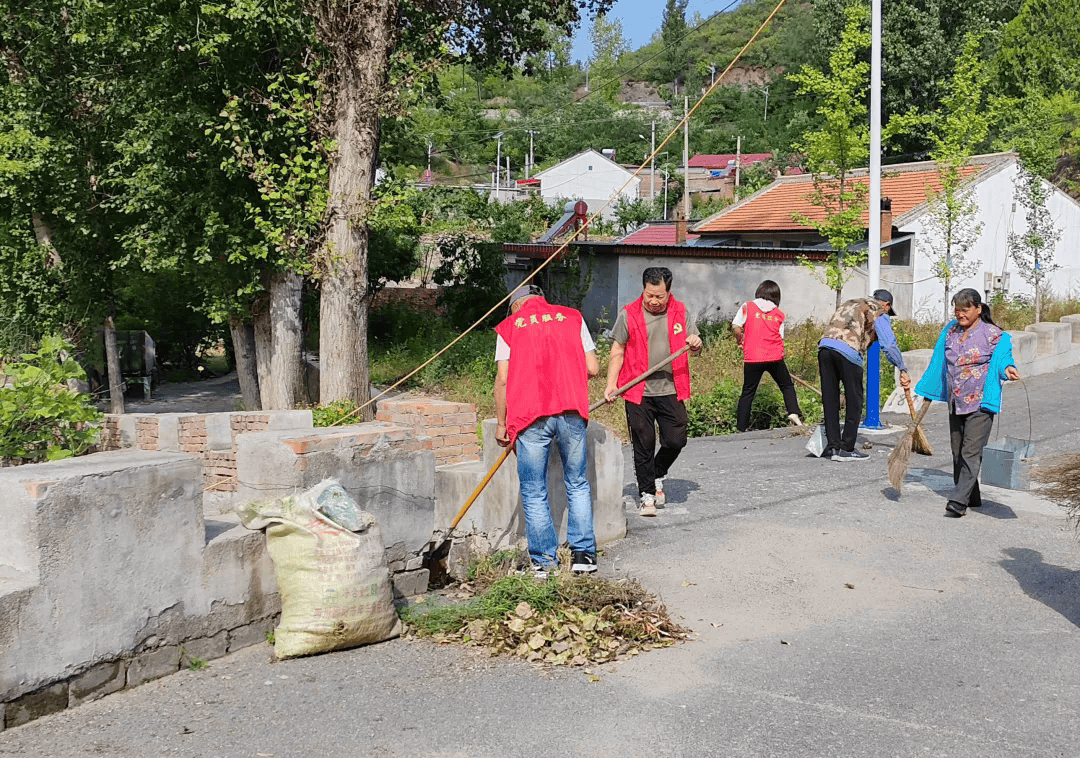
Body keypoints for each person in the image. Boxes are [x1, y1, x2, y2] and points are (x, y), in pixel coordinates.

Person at [494, 284, 601, 577]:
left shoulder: (510, 327)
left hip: (530, 416)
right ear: (542, 300)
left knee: (533, 490)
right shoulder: (573, 317)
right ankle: (584, 557)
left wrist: (502, 424)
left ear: (516, 306)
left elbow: (502, 379)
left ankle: (544, 563)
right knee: (577, 483)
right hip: (571, 410)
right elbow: (593, 368)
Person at [604, 267, 703, 517]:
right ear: (643, 289)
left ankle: (657, 472)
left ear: (668, 292)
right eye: (649, 295)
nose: (654, 301)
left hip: (671, 387)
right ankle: (647, 494)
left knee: (676, 439)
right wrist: (611, 384)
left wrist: (695, 344)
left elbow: (695, 345)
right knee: (643, 443)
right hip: (638, 389)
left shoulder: (680, 312)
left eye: (659, 296)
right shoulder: (629, 314)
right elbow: (618, 350)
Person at [915, 288, 1021, 517]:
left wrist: (1008, 369)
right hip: (956, 402)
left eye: (965, 310)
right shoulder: (950, 331)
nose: (960, 314)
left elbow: (1004, 358)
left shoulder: (993, 334)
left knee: (970, 453)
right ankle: (972, 496)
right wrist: (930, 388)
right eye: (957, 310)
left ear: (978, 309)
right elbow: (939, 360)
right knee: (957, 453)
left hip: (980, 403)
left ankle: (958, 502)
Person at [817, 289, 912, 461]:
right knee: (855, 400)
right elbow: (889, 345)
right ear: (887, 305)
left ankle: (833, 447)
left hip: (825, 347)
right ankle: (846, 448)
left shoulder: (851, 303)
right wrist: (902, 367)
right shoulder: (879, 311)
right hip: (847, 351)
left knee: (830, 399)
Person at [733, 279, 803, 432]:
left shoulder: (747, 306)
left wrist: (740, 340)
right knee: (786, 386)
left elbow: (736, 326)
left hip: (753, 357)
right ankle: (793, 412)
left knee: (748, 392)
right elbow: (780, 336)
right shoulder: (779, 313)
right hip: (775, 357)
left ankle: (741, 427)